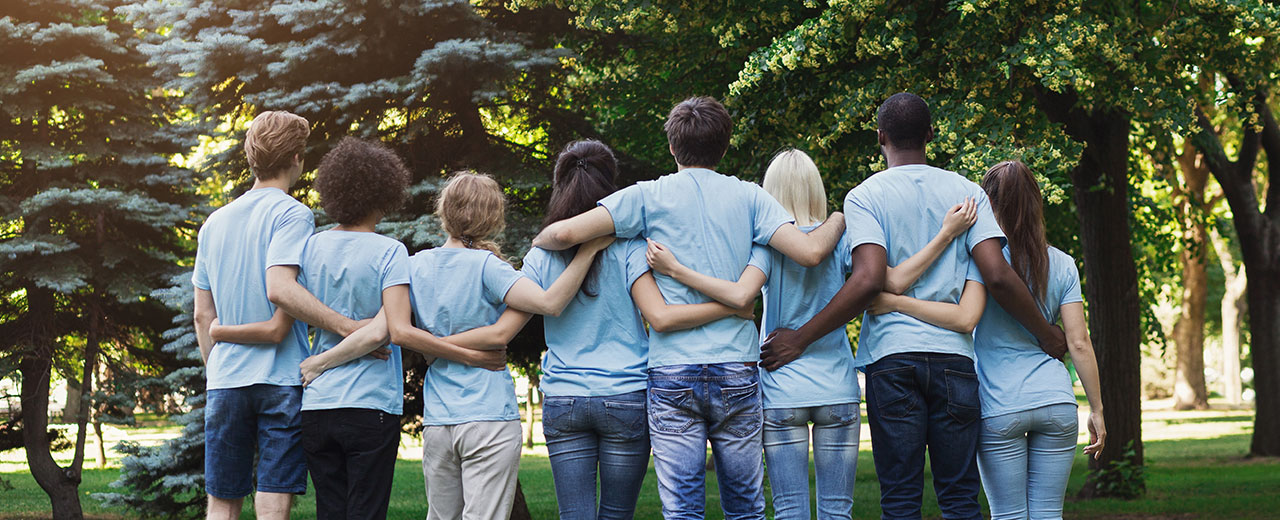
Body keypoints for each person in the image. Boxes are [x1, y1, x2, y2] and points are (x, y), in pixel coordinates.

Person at [532, 97, 847, 519]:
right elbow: (810, 253)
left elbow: (558, 234)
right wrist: (840, 218)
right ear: (725, 146)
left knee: (682, 510)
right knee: (746, 508)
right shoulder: (750, 197)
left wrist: (588, 239)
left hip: (672, 371)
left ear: (672, 148)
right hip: (736, 367)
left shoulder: (646, 196)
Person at [759, 93, 1068, 520]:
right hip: (954, 362)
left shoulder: (865, 196)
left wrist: (799, 339)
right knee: (960, 498)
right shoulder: (967, 192)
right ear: (931, 134)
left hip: (892, 361)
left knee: (901, 498)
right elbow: (998, 276)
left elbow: (868, 279)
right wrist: (1047, 333)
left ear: (880, 137)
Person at [644, 148, 977, 520]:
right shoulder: (846, 239)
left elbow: (741, 294)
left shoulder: (765, 244)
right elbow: (884, 282)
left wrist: (676, 271)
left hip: (781, 387)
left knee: (789, 512)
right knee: (837, 512)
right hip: (836, 387)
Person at [209, 138, 508, 519]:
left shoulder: (310, 247)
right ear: (386, 195)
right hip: (371, 405)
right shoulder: (390, 251)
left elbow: (292, 301)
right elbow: (389, 328)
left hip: (318, 405)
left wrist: (322, 358)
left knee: (331, 511)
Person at [519, 140, 756, 519]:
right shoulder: (629, 249)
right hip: (625, 395)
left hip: (564, 397)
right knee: (616, 514)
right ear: (611, 187)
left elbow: (521, 311)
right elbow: (660, 316)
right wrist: (731, 305)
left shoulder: (540, 253)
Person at [870, 161, 1105, 519]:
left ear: (986, 204)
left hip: (1000, 404)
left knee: (1008, 515)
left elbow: (964, 318)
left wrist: (895, 302)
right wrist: (1098, 410)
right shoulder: (1062, 263)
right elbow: (1079, 343)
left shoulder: (978, 261)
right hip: (1056, 402)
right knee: (1047, 514)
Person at [386, 171, 612, 520]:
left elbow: (389, 329)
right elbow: (550, 302)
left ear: (444, 211)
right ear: (492, 218)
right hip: (488, 416)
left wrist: (430, 346)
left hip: (438, 421)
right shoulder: (489, 267)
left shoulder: (414, 266)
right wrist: (589, 249)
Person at [192, 111, 316, 520]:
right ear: (296, 158)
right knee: (273, 498)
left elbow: (201, 315)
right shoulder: (293, 215)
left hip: (226, 381)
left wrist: (218, 368)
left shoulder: (213, 224)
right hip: (281, 380)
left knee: (222, 502)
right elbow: (282, 305)